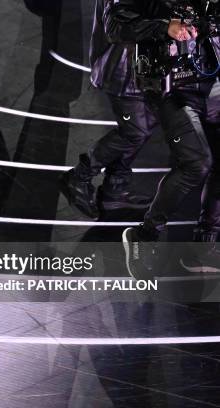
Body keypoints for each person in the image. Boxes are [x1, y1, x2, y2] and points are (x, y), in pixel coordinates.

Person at [107, 0, 220, 278]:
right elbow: (115, 25)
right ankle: (145, 236)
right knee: (196, 163)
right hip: (172, 84)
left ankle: (205, 246)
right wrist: (164, 27)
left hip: (213, 75)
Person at [60, 0, 155, 221]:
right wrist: (164, 24)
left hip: (148, 65)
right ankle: (79, 176)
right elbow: (117, 27)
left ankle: (115, 188)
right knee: (135, 131)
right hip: (123, 67)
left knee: (147, 124)